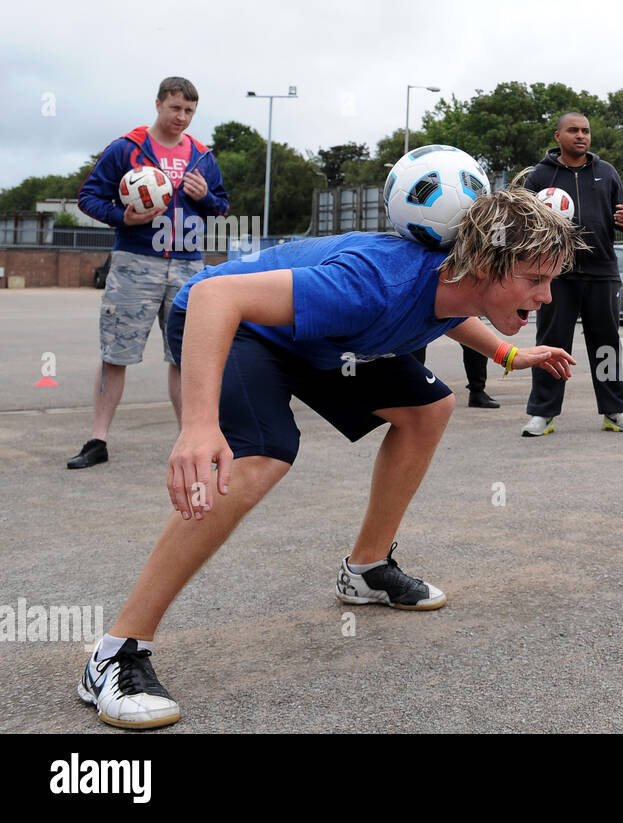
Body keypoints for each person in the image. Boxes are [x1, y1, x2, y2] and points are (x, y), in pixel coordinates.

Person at [77, 188, 581, 729]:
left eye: (550, 280)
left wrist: (507, 353)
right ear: (482, 264)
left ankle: (366, 570)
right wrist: (198, 426)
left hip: (319, 341)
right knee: (262, 456)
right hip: (236, 325)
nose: (547, 296)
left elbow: (447, 310)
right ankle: (116, 652)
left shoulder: (456, 280)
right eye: (535, 280)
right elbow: (215, 299)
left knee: (428, 408)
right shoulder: (371, 283)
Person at [68, 77, 229, 469]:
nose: (182, 117)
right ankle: (98, 439)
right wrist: (121, 216)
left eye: (189, 111)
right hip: (136, 263)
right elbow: (88, 197)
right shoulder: (127, 148)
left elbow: (222, 208)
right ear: (158, 104)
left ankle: (191, 441)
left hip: (189, 264)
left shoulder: (203, 156)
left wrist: (204, 196)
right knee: (115, 354)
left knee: (185, 357)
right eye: (175, 108)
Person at [520, 112, 623, 436]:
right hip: (555, 273)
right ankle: (542, 414)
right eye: (573, 130)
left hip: (601, 270)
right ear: (557, 136)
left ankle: (615, 411)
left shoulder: (606, 171)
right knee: (551, 343)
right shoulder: (539, 176)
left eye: (585, 131)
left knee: (607, 345)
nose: (581, 135)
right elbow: (523, 222)